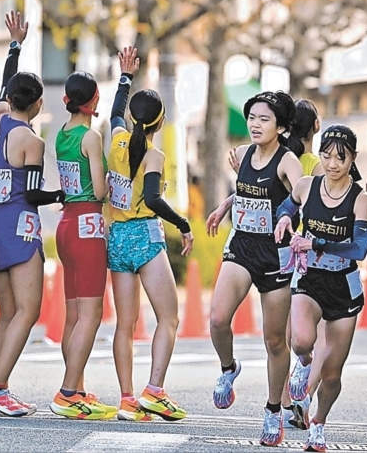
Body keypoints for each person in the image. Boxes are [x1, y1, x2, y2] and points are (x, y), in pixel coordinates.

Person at [0, 11, 65, 417]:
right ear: (40, 102)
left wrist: (15, 46)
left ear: (10, 100)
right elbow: (32, 193)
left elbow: (2, 87)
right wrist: (65, 193)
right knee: (28, 312)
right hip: (20, 226)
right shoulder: (31, 140)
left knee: (7, 314)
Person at [206, 90, 304, 447]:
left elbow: (300, 194)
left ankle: (274, 409)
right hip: (242, 248)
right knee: (217, 319)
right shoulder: (245, 154)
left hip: (275, 256)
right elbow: (250, 192)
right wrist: (225, 206)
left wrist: (291, 219)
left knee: (274, 339)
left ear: (280, 126)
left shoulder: (287, 160)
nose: (255, 125)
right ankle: (229, 369)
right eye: (252, 118)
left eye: (264, 119)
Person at [274, 124, 367, 452]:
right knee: (301, 340)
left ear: (352, 160)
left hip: (343, 287)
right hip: (309, 278)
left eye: (340, 158)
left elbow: (359, 248)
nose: (332, 163)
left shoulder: (361, 199)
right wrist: (285, 219)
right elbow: (287, 206)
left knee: (332, 373)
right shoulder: (307, 185)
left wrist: (317, 241)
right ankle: (303, 364)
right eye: (327, 155)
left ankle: (319, 421)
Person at [107, 47, 193, 422]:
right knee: (168, 318)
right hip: (144, 235)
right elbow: (155, 200)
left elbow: (113, 114)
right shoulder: (154, 155)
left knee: (124, 326)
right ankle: (154, 390)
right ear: (160, 123)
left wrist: (125, 77)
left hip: (116, 238)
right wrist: (184, 224)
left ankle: (127, 399)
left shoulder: (116, 141)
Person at [49, 70, 116, 420]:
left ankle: (76, 387)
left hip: (66, 225)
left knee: (74, 315)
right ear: (94, 101)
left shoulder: (62, 133)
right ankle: (68, 392)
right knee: (92, 315)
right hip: (89, 223)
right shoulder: (90, 137)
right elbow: (100, 190)